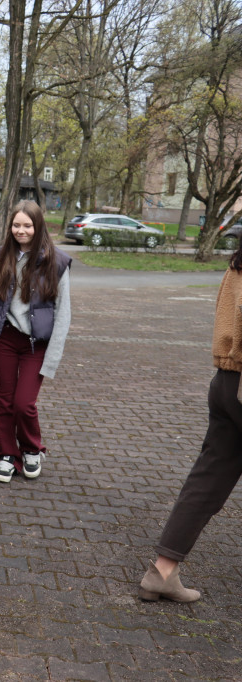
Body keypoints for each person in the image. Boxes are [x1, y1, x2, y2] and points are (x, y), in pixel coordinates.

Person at [136, 242, 242, 604]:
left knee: (207, 479)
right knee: (207, 479)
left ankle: (161, 573)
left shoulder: (237, 262)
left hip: (227, 381)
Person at [0, 200, 70, 483]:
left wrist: (52, 359)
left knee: (24, 403)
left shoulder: (57, 261)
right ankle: (7, 455)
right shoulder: (2, 256)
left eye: (27, 225)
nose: (21, 230)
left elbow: (63, 314)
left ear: (38, 226)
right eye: (16, 225)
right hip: (5, 339)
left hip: (36, 345)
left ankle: (32, 448)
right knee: (4, 402)